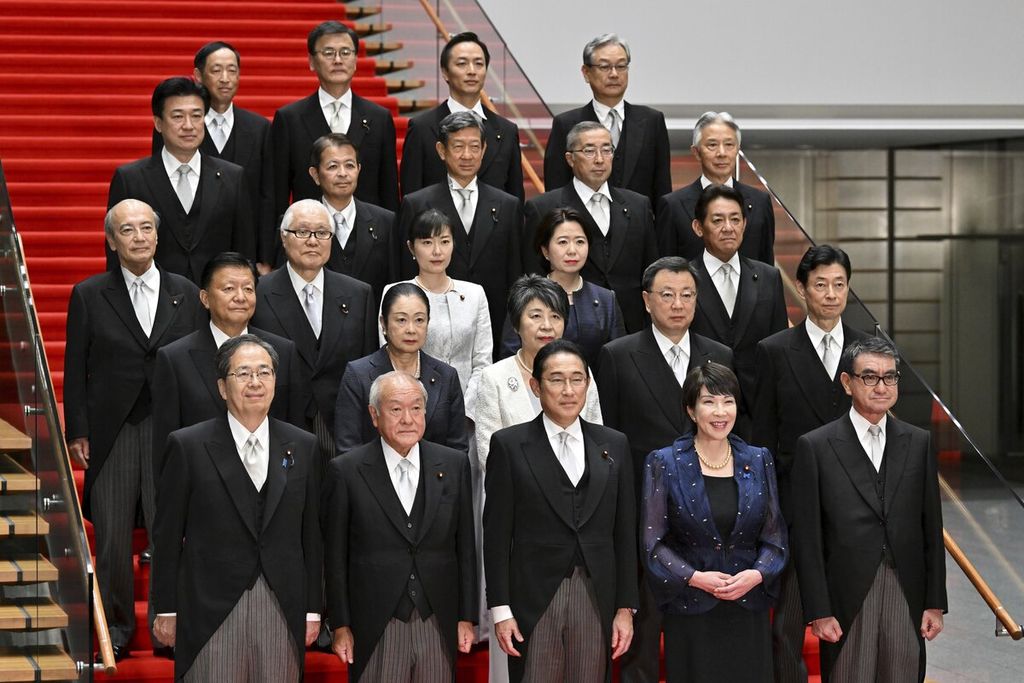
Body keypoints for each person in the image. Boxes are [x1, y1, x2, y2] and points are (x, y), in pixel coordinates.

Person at [63, 199, 203, 660]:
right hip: (113, 430)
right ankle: (116, 631)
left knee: (171, 532)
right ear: (111, 240)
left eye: (147, 227)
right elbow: (76, 366)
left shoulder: (185, 291)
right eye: (128, 229)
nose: (139, 236)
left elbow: (196, 362)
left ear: (158, 236)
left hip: (172, 430)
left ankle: (169, 627)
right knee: (114, 538)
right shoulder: (88, 293)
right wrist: (77, 430)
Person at [152, 335, 322, 681]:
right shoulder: (188, 446)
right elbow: (167, 535)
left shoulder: (304, 446)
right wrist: (165, 608)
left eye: (265, 372)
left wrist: (313, 609)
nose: (255, 382)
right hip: (210, 608)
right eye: (243, 373)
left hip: (282, 604)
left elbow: (312, 535)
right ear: (222, 387)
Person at [596, 256, 732, 683]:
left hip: (708, 509)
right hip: (643, 507)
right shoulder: (617, 356)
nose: (678, 304)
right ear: (646, 301)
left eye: (687, 295)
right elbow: (608, 440)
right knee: (645, 624)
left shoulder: (719, 355)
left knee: (699, 631)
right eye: (667, 295)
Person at [792, 337, 946, 682]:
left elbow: (931, 528)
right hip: (846, 592)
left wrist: (934, 601)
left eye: (890, 377)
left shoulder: (918, 441)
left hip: (905, 588)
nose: (882, 386)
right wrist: (818, 609)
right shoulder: (815, 446)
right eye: (870, 377)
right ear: (847, 383)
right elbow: (808, 538)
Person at [473, 275, 603, 683]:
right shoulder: (492, 379)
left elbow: (597, 445)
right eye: (536, 316)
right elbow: (486, 453)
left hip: (576, 520)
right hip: (517, 523)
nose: (547, 325)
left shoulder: (582, 375)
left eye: (555, 316)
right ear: (516, 324)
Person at [484, 339, 637, 683]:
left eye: (577, 379)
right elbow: (495, 536)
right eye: (556, 379)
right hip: (533, 599)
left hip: (596, 594)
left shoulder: (614, 444)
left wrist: (626, 607)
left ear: (588, 383)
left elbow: (625, 532)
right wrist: (501, 609)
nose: (568, 390)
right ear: (536, 386)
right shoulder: (509, 446)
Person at [751, 244, 870, 683]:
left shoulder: (868, 350)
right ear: (801, 289)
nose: (831, 294)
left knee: (847, 620)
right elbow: (762, 438)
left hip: (855, 509)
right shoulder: (775, 350)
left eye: (840, 284)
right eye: (820, 284)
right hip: (793, 507)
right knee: (788, 623)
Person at [323, 371, 477, 681]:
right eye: (395, 409)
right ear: (374, 415)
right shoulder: (347, 470)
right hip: (375, 621)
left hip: (438, 616)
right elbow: (335, 556)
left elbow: (465, 548)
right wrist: (340, 625)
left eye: (416, 408)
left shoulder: (453, 464)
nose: (408, 418)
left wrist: (467, 617)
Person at [642, 362, 787, 682]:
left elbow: (775, 536)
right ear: (691, 411)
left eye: (728, 401)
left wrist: (757, 574)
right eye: (709, 401)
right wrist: (694, 577)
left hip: (748, 608)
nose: (720, 411)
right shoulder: (664, 462)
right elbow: (653, 543)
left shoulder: (758, 458)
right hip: (692, 608)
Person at [151, 252, 307, 476]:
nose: (240, 297)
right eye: (228, 289)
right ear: (205, 298)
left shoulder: (284, 351)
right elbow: (165, 447)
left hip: (271, 483)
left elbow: (294, 432)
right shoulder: (174, 358)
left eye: (248, 289)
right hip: (203, 487)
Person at [250, 199, 377, 462]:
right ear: (284, 238)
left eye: (322, 233)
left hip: (343, 426)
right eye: (303, 232)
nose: (312, 240)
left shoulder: (358, 293)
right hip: (280, 422)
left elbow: (368, 366)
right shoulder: (258, 293)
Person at [395, 111, 522, 354]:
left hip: (492, 321)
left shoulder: (508, 205)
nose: (467, 155)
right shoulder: (417, 203)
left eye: (474, 146)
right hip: (430, 323)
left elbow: (515, 272)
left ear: (484, 150)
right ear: (442, 151)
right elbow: (404, 270)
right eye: (458, 147)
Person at [108, 77, 255, 282]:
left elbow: (244, 249)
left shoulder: (233, 177)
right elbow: (116, 252)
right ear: (158, 123)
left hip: (216, 301)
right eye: (177, 116)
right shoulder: (131, 179)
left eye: (196, 116)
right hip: (155, 301)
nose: (189, 126)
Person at [151, 41, 274, 271]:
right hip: (182, 250)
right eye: (216, 70)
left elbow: (268, 197)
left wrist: (265, 258)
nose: (225, 78)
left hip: (238, 249)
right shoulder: (176, 127)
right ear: (198, 75)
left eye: (232, 70)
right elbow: (161, 185)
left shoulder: (259, 128)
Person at [525, 121, 657, 333]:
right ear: (570, 158)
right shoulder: (543, 207)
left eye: (607, 150)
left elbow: (651, 270)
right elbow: (532, 276)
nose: (599, 159)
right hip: (566, 325)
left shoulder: (638, 205)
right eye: (589, 151)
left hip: (632, 327)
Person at [272, 21, 398, 216]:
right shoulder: (289, 119)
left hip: (368, 237)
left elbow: (388, 191)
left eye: (346, 52)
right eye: (328, 53)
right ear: (312, 61)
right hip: (308, 235)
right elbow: (277, 194)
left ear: (356, 60)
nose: (338, 60)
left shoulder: (379, 118)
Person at [687, 184, 787, 428]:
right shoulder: (684, 279)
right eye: (718, 220)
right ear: (699, 227)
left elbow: (779, 346)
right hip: (701, 408)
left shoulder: (768, 277)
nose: (728, 228)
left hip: (758, 410)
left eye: (735, 219)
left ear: (744, 223)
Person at [334, 283, 467, 455]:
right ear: (383, 323)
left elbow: (458, 450)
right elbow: (347, 449)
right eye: (401, 320)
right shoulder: (358, 375)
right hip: (373, 479)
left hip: (434, 479)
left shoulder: (446, 376)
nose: (411, 330)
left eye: (419, 320)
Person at [543, 34, 670, 209]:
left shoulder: (652, 121)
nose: (614, 74)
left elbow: (662, 188)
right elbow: (556, 190)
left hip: (639, 229)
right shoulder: (565, 124)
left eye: (621, 66)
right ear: (586, 73)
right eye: (604, 67)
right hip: (584, 230)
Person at [379, 207, 492, 400]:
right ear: (411, 247)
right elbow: (391, 357)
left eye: (445, 241)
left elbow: (483, 362)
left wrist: (465, 409)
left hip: (468, 406)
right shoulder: (396, 293)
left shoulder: (475, 294)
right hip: (412, 404)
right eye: (427, 242)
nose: (437, 251)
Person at [400, 32, 523, 201]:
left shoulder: (506, 130)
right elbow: (411, 196)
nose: (472, 71)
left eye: (479, 64)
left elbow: (515, 199)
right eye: (462, 64)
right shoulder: (422, 128)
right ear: (445, 72)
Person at [500, 207, 625, 370]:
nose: (572, 251)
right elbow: (510, 353)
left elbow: (617, 358)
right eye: (562, 242)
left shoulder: (606, 299)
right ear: (545, 250)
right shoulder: (526, 295)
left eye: (580, 241)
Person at [657, 111, 775, 265]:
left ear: (737, 150)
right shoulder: (673, 205)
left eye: (729, 145)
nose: (722, 153)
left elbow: (767, 265)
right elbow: (666, 269)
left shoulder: (760, 201)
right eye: (712, 145)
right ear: (696, 152)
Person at [308, 133, 395, 307]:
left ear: (358, 169)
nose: (343, 174)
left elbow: (394, 283)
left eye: (349, 165)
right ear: (315, 174)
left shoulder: (385, 221)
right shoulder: (297, 223)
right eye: (332, 167)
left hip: (370, 324)